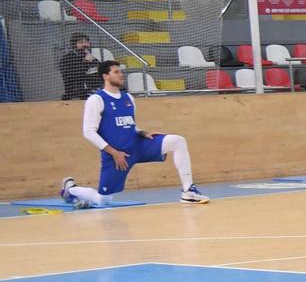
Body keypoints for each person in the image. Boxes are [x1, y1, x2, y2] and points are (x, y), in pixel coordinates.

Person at [59, 59, 209, 207]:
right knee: (103, 200)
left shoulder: (128, 98)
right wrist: (114, 153)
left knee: (177, 141)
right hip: (117, 155)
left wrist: (142, 132)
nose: (121, 75)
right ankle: (71, 189)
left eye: (121, 72)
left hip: (137, 145)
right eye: (116, 72)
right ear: (105, 76)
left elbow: (130, 125)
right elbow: (88, 132)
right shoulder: (96, 99)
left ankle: (188, 191)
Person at [58, 33, 95, 101]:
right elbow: (73, 75)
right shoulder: (67, 58)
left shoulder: (92, 58)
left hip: (92, 93)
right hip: (75, 95)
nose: (85, 45)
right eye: (81, 42)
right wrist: (86, 62)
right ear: (74, 45)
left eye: (87, 42)